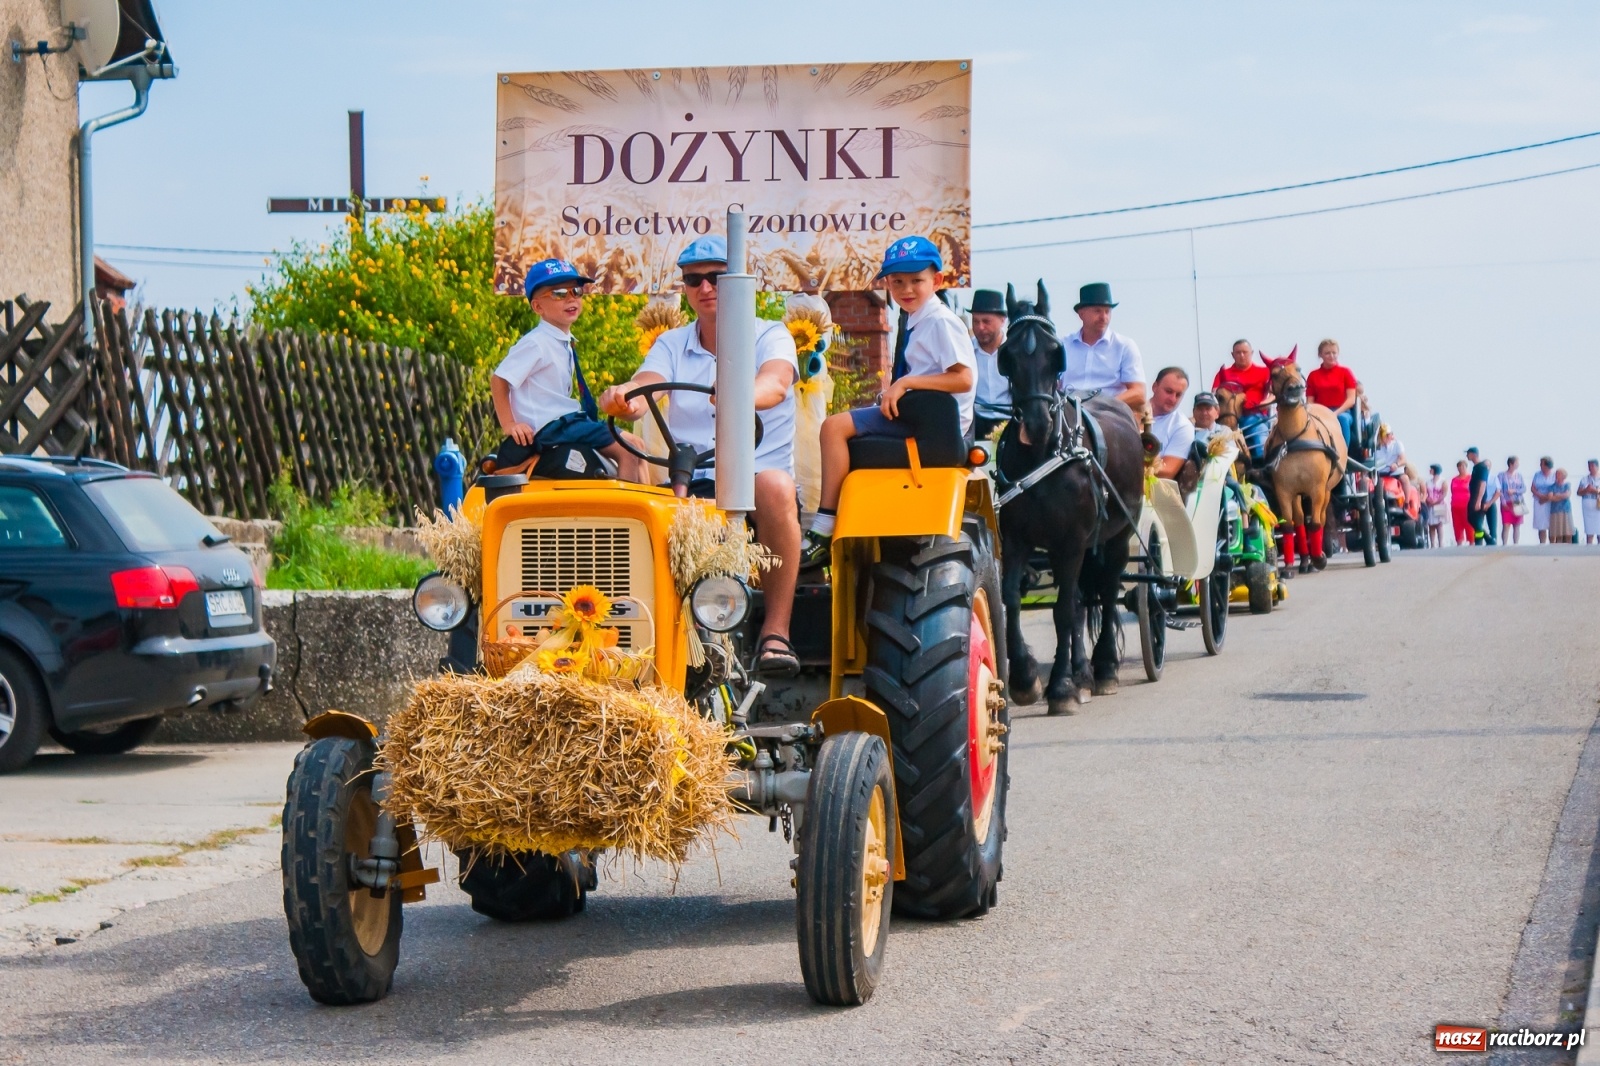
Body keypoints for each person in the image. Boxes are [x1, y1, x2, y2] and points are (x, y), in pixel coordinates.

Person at [597, 236, 803, 677]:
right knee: (633, 501)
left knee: (774, 486)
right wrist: (621, 397)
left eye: (716, 277)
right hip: (691, 481)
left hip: (756, 481)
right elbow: (645, 381)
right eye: (694, 280)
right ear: (685, 288)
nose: (706, 287)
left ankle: (776, 633)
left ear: (740, 284)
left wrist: (738, 394)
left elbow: (776, 383)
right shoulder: (672, 344)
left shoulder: (770, 334)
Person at [802, 236, 976, 566]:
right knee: (840, 426)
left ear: (937, 281)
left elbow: (964, 378)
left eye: (916, 281)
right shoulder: (915, 319)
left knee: (833, 428)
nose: (906, 289)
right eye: (897, 282)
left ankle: (824, 524)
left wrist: (906, 383)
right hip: (915, 414)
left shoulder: (940, 321)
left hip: (933, 427)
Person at [487, 258, 647, 482]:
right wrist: (510, 424)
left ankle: (650, 508)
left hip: (567, 423)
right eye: (559, 293)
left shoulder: (562, 340)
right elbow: (499, 379)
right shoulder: (536, 342)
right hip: (551, 427)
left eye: (576, 291)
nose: (571, 298)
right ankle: (629, 514)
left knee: (638, 445)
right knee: (629, 448)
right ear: (537, 307)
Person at [1059, 283, 1147, 414]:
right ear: (1081, 314)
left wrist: (1105, 404)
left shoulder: (1124, 346)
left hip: (1110, 415)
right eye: (1097, 311)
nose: (1104, 317)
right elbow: (1050, 385)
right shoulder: (1062, 346)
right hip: (1068, 412)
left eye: (1107, 311)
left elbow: (1139, 393)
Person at [1211, 339, 1272, 462]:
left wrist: (1266, 402)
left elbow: (1274, 393)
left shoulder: (1264, 372)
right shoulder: (1224, 374)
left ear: (1251, 353)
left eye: (1245, 352)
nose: (1242, 355)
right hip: (1226, 419)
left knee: (1261, 438)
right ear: (1232, 354)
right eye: (1238, 352)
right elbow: (1214, 394)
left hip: (1254, 416)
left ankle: (1263, 467)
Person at [969, 289, 1010, 439]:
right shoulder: (965, 352)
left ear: (1002, 320)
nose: (980, 327)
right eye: (975, 321)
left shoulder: (1014, 352)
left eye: (986, 321)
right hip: (975, 423)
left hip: (1012, 422)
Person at [1305, 339, 1359, 447]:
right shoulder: (1313, 375)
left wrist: (1335, 413)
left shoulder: (1345, 372)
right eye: (1327, 353)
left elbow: (1351, 399)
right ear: (1320, 355)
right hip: (1320, 412)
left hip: (1342, 411)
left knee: (1342, 419)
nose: (1331, 356)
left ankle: (1343, 452)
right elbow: (1310, 401)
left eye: (1334, 353)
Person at [1146, 367, 1194, 480]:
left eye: (1178, 395)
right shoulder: (1129, 412)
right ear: (1154, 387)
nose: (1173, 399)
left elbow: (1167, 471)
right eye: (1168, 391)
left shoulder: (1183, 427)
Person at [1466, 447, 1494, 545]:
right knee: (1472, 519)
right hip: (1473, 495)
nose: (1467, 456)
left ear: (1474, 454)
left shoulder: (1482, 467)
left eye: (1468, 454)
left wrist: (1478, 500)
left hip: (1478, 497)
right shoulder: (1476, 467)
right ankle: (1481, 540)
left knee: (1474, 518)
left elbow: (1482, 484)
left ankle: (1488, 539)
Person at [1498, 456, 1527, 546]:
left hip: (1518, 502)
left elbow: (1524, 488)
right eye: (1516, 463)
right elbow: (1499, 490)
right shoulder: (1501, 475)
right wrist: (1503, 502)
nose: (1518, 465)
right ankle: (1504, 544)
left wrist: (1515, 491)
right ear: (1511, 464)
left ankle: (1516, 544)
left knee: (1516, 525)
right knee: (1506, 524)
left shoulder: (1519, 475)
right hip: (1507, 502)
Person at [1531, 456, 1555, 544]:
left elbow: (1556, 489)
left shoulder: (1554, 475)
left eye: (1542, 464)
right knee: (1541, 525)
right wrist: (1540, 496)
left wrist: (1545, 499)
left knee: (1551, 524)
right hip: (1538, 501)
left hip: (1551, 502)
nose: (1540, 466)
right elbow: (1533, 488)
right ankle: (1542, 543)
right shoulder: (1537, 474)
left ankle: (1552, 544)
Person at [1548, 468, 1575, 544]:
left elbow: (1567, 495)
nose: (1556, 475)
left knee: (1568, 531)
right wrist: (1560, 496)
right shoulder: (1552, 486)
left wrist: (1557, 495)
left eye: (1558, 474)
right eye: (1556, 474)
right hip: (1555, 510)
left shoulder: (1567, 485)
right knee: (1558, 532)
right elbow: (1550, 497)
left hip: (1565, 509)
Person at [1450, 460, 1473, 546]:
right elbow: (1452, 491)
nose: (1461, 468)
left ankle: (1472, 542)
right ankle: (1459, 542)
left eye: (1463, 466)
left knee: (1469, 524)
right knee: (1457, 525)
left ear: (1466, 467)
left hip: (1467, 505)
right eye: (1459, 467)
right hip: (1455, 505)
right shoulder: (1454, 479)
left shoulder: (1470, 478)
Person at [1424, 463, 1448, 548]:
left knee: (1439, 524)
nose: (1430, 470)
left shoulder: (1443, 481)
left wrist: (1436, 501)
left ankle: (1441, 543)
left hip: (1439, 504)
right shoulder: (1428, 482)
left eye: (1431, 469)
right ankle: (1433, 544)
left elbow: (1444, 493)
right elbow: (1425, 492)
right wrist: (1428, 499)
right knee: (1431, 524)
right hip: (1430, 505)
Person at [1579, 459, 1600, 544]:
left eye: (1592, 466)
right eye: (1589, 466)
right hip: (1587, 507)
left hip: (1598, 506)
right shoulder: (1584, 479)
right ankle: (1589, 550)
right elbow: (1579, 492)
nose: (1590, 468)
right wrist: (1586, 490)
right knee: (1589, 531)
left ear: (1597, 467)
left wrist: (1594, 490)